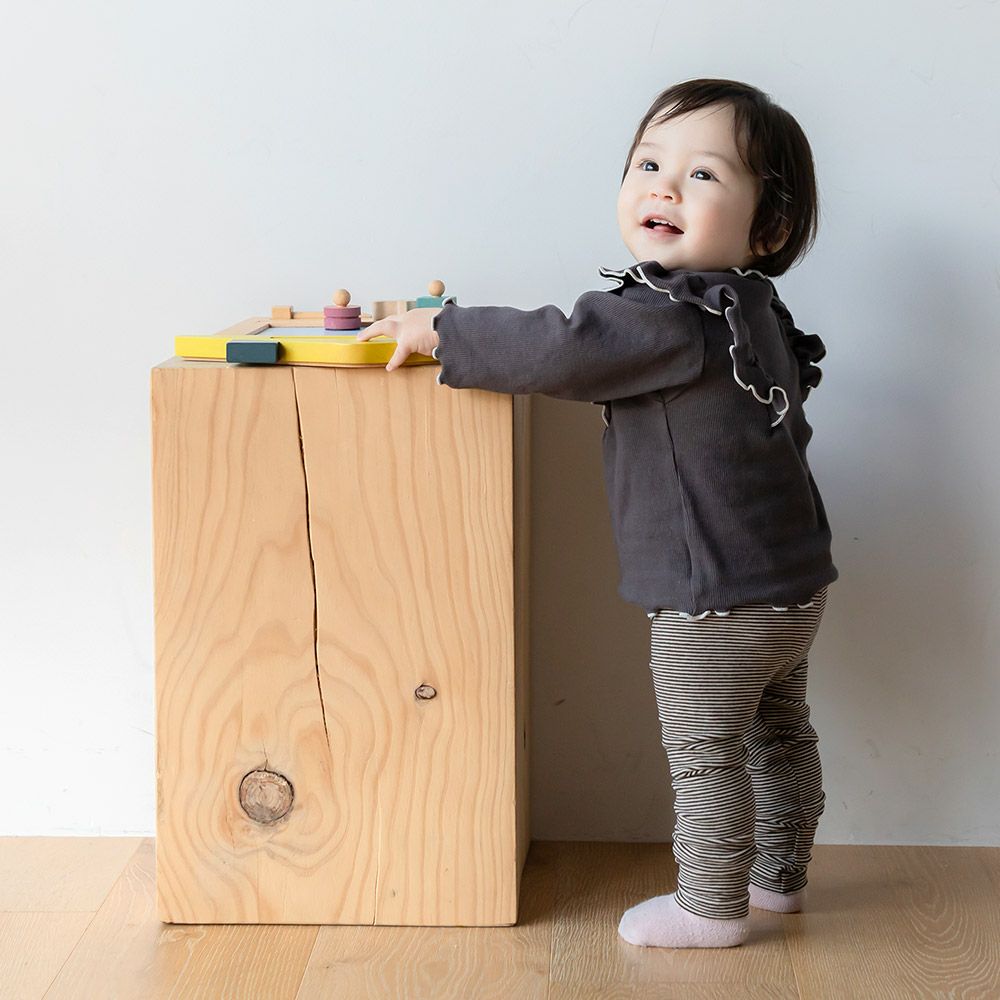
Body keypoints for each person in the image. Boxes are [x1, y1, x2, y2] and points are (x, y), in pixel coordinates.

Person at [357, 78, 838, 949]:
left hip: (713, 597)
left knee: (706, 750)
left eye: (702, 175)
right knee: (777, 734)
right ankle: (778, 879)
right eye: (649, 165)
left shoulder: (668, 316)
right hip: (793, 582)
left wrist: (445, 332)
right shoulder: (752, 308)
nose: (665, 187)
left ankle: (712, 906)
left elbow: (564, 346)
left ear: (768, 227)